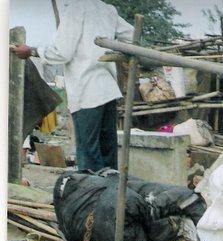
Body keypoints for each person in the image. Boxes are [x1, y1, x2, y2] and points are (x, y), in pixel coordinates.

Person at [11, 0, 134, 171]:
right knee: (107, 153)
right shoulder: (107, 9)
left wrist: (32, 51)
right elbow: (133, 35)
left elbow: (62, 52)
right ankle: (110, 194)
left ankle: (93, 195)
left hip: (87, 91)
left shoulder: (76, 8)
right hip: (108, 90)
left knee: (89, 155)